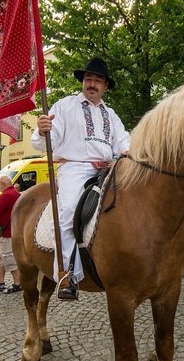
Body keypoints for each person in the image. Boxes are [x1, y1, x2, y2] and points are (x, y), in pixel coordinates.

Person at [31, 57, 131, 300]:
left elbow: (123, 141)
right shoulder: (65, 106)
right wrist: (42, 129)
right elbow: (45, 143)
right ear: (83, 82)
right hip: (76, 168)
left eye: (98, 80)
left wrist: (130, 153)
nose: (92, 84)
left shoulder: (111, 114)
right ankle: (67, 274)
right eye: (89, 79)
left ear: (105, 85)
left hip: (109, 167)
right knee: (68, 212)